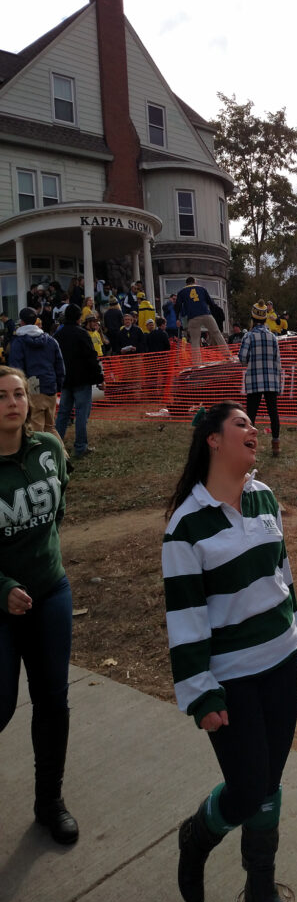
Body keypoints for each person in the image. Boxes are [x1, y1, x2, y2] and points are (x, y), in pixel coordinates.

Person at [163, 402, 297, 902]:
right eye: (241, 423)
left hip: (282, 663)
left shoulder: (265, 497)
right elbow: (186, 619)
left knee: (269, 783)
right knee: (245, 790)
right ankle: (198, 835)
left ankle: (260, 889)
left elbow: (282, 577)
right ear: (212, 440)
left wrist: (294, 631)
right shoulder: (185, 527)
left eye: (253, 423)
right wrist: (201, 694)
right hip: (233, 680)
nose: (254, 429)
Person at [0, 366, 78, 845]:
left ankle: (50, 800)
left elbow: (58, 508)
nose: (13, 402)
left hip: (50, 592)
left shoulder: (49, 449)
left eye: (18, 394)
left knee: (53, 700)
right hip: (0, 608)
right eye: (2, 396)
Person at [54, 305, 104, 459]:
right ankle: (81, 447)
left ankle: (56, 447)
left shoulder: (58, 335)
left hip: (65, 380)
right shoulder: (82, 334)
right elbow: (91, 357)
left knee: (63, 413)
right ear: (78, 318)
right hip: (82, 379)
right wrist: (99, 378)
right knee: (82, 413)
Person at [9, 307, 66, 436]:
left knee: (36, 430)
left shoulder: (18, 342)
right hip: (50, 386)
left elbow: (16, 370)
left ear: (21, 322)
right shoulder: (51, 341)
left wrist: (18, 392)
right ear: (36, 320)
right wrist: (58, 385)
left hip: (32, 389)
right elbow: (60, 366)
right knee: (50, 427)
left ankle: (43, 455)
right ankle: (61, 455)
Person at [238, 301, 283, 457]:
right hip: (271, 380)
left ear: (253, 317)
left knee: (251, 414)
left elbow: (243, 359)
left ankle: (248, 445)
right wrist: (280, 385)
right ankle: (276, 444)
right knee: (273, 412)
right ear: (265, 319)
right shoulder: (273, 337)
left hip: (254, 380)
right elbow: (278, 362)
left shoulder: (248, 336)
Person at [175, 276, 228, 354]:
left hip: (193, 317)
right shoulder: (202, 289)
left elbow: (178, 306)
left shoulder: (181, 292)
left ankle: (196, 363)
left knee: (195, 340)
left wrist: (178, 318)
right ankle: (227, 355)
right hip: (206, 314)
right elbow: (211, 302)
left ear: (186, 284)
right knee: (217, 333)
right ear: (195, 282)